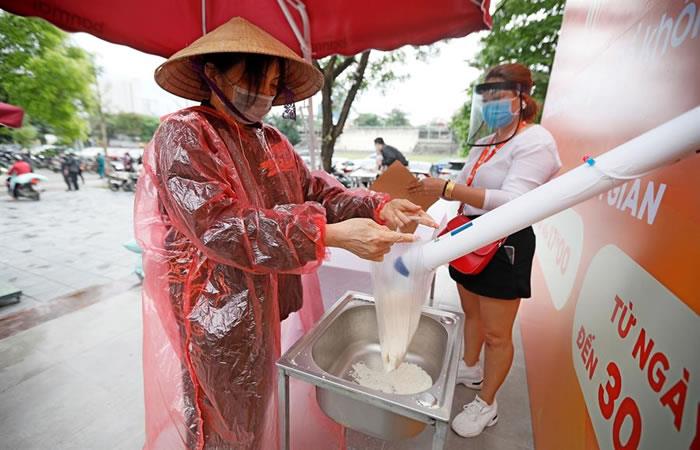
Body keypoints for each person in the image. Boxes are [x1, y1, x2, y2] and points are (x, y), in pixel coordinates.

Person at [136, 17, 437, 449]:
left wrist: (379, 204)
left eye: (273, 85)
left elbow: (316, 191)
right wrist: (327, 235)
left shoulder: (270, 140)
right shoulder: (184, 135)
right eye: (252, 80)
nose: (263, 95)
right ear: (213, 74)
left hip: (266, 299)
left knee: (253, 408)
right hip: (215, 310)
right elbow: (220, 226)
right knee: (222, 417)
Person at [410, 63, 562, 438]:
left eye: (500, 97)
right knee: (471, 312)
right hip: (469, 235)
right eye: (487, 98)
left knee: (497, 333)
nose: (492, 105)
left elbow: (515, 200)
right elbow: (462, 187)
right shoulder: (486, 141)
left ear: (522, 98)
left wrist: (447, 189)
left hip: (504, 241)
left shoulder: (535, 141)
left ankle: (487, 403)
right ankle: (471, 367)